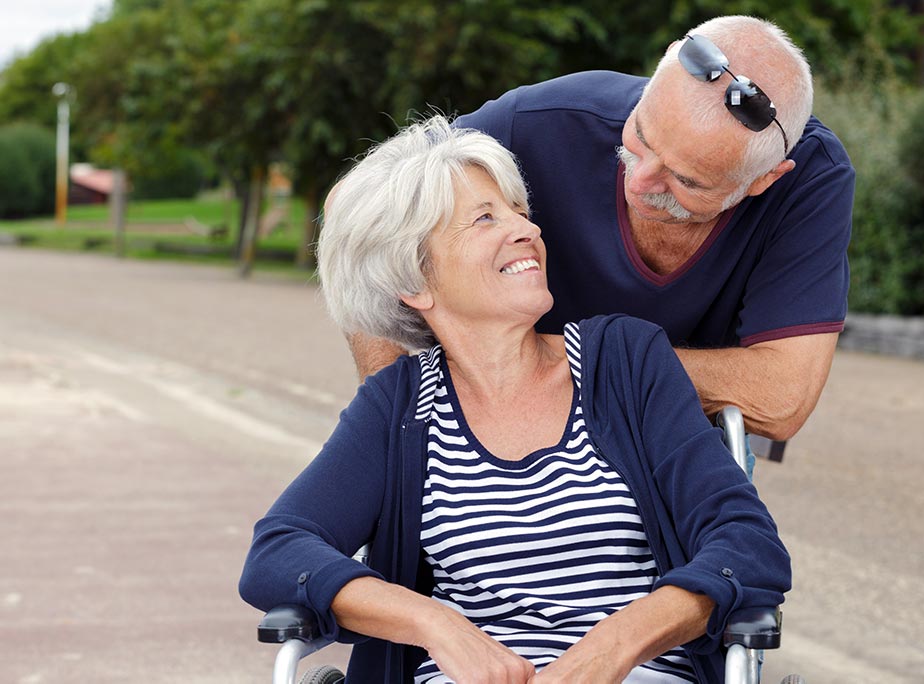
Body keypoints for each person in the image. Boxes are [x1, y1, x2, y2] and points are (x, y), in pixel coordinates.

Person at [239, 117, 790, 683]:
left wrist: (612, 648)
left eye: (519, 211)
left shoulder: (624, 362)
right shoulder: (400, 408)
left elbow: (745, 543)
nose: (526, 229)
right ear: (415, 281)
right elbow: (279, 552)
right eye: (485, 218)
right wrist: (437, 626)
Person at [347, 15, 854, 442]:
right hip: (494, 424)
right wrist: (394, 411)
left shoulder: (811, 178)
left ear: (763, 180)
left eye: (686, 180)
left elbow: (781, 398)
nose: (642, 181)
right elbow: (358, 209)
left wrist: (561, 361)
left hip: (663, 446)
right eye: (641, 136)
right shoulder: (543, 121)